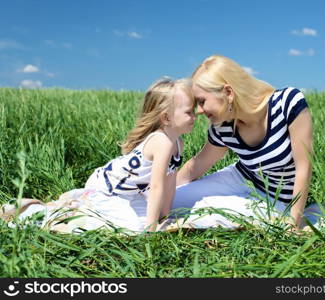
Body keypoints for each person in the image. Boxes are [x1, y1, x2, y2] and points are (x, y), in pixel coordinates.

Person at [1, 78, 196, 233]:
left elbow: (169, 183)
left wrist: (165, 215)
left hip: (127, 193)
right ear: (166, 117)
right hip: (106, 189)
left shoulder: (178, 142)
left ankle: (77, 206)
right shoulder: (162, 141)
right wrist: (152, 229)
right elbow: (156, 186)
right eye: (189, 112)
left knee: (145, 219)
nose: (195, 117)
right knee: (135, 227)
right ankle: (36, 213)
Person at [171, 55, 322, 231]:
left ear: (228, 93)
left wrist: (294, 221)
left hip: (278, 200)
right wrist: (159, 188)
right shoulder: (223, 126)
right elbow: (196, 166)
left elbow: (304, 166)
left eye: (202, 101)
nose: (198, 111)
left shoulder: (287, 103)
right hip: (240, 178)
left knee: (207, 208)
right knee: (169, 201)